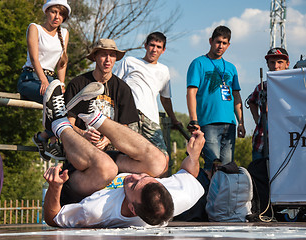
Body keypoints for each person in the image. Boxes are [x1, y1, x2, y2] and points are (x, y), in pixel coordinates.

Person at [42, 80, 205, 227]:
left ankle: (57, 122)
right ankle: (90, 114)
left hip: (83, 183)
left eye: (133, 185)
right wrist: (194, 155)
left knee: (107, 169)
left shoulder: (98, 211)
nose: (134, 176)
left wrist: (55, 187)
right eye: (145, 178)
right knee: (158, 161)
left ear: (132, 209)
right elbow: (190, 173)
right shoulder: (179, 197)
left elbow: (52, 217)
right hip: (113, 164)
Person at [186, 26, 245, 177]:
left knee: (227, 167)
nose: (221, 46)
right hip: (208, 122)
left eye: (224, 43)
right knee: (212, 164)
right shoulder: (198, 63)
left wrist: (241, 122)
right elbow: (191, 93)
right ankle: (209, 199)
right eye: (218, 42)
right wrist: (194, 119)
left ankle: (224, 199)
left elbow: (236, 97)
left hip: (229, 123)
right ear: (211, 41)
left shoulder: (231, 67)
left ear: (228, 45)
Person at [17, 0, 71, 161]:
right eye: (54, 11)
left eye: (61, 14)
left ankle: (43, 137)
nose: (57, 16)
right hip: (30, 78)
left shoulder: (65, 34)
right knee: (55, 102)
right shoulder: (35, 28)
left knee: (69, 102)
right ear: (47, 11)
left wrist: (61, 84)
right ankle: (53, 141)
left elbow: (62, 63)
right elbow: (34, 58)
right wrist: (43, 80)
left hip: (51, 80)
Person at [114, 32, 181, 157]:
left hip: (151, 118)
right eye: (152, 45)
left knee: (162, 156)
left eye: (158, 47)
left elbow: (165, 99)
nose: (154, 50)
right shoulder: (130, 61)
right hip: (130, 116)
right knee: (129, 155)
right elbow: (114, 86)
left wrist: (174, 119)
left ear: (163, 50)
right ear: (145, 45)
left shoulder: (164, 70)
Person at [64, 39, 139, 151]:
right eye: (103, 55)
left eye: (112, 55)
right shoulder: (77, 84)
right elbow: (68, 123)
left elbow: (125, 126)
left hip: (112, 149)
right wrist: (83, 134)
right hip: (81, 148)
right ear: (95, 57)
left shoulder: (123, 89)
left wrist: (109, 139)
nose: (108, 60)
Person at [247, 47, 290, 161]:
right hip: (260, 142)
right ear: (268, 65)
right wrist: (258, 120)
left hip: (284, 143)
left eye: (280, 62)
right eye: (272, 62)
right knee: (260, 177)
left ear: (287, 64)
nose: (276, 66)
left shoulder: (293, 87)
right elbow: (251, 101)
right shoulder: (262, 87)